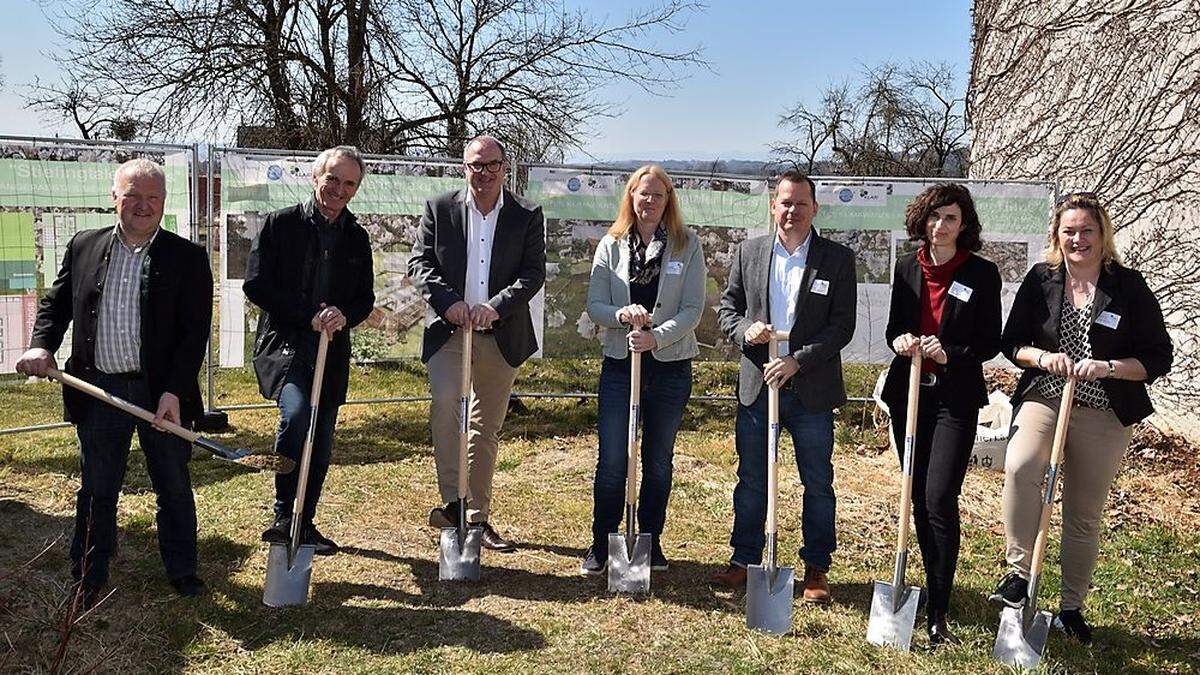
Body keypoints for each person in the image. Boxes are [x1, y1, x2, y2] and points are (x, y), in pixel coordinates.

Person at [16, 159, 213, 607]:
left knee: (173, 485)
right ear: (114, 198)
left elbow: (193, 332)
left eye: (153, 198)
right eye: (133, 196)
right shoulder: (85, 245)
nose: (143, 206)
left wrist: (173, 393)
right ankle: (88, 572)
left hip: (160, 394)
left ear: (164, 202)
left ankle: (182, 571)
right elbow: (56, 304)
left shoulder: (187, 257)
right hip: (100, 390)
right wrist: (42, 345)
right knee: (98, 487)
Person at [990, 192, 1173, 644]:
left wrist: (1110, 367)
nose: (1078, 239)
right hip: (1046, 397)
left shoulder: (1128, 287)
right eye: (1069, 231)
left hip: (1105, 407)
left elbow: (1158, 356)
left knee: (1083, 512)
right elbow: (1012, 343)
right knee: (1020, 465)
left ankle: (1071, 607)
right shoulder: (1041, 280)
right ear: (1057, 235)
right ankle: (1018, 575)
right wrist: (1042, 357)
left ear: (1102, 234)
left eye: (1086, 230)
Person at [712, 170, 857, 602]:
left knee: (817, 481)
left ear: (815, 208)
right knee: (752, 478)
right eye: (785, 202)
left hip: (810, 390)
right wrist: (745, 331)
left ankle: (816, 567)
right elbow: (727, 310)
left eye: (801, 203)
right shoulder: (749, 252)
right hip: (759, 388)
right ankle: (744, 560)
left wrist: (797, 361)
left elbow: (841, 327)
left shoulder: (836, 258)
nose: (792, 211)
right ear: (773, 205)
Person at [408, 135, 546, 552]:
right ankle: (453, 503)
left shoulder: (526, 214)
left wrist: (497, 306)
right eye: (474, 165)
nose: (482, 174)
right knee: (447, 410)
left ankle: (477, 517)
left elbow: (531, 272)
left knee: (486, 428)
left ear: (506, 168)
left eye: (491, 165)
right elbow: (420, 263)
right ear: (463, 168)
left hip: (500, 335)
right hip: (450, 332)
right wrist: (448, 303)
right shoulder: (440, 209)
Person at [881, 183, 1002, 646]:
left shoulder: (981, 273)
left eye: (950, 217)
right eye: (934, 217)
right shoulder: (908, 267)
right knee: (915, 497)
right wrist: (901, 342)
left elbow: (990, 342)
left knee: (938, 498)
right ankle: (922, 592)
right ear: (922, 221)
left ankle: (938, 609)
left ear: (963, 223)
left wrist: (949, 352)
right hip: (909, 396)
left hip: (954, 398)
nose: (941, 226)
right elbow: (895, 326)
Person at [245, 146, 376, 555]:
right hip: (285, 346)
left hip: (330, 353)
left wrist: (342, 315)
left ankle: (306, 521)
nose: (339, 189)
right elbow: (257, 284)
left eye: (349, 183)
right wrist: (308, 316)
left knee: (321, 438)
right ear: (315, 177)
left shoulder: (356, 238)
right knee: (299, 417)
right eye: (332, 179)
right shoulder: (280, 225)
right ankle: (284, 514)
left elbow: (365, 299)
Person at [580, 165, 708, 575]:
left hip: (669, 369)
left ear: (668, 199)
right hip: (620, 366)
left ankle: (650, 542)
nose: (649, 201)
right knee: (613, 459)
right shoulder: (611, 244)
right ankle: (602, 543)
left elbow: (692, 310)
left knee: (657, 461)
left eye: (657, 194)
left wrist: (657, 337)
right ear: (630, 197)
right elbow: (595, 305)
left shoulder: (688, 245)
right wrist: (620, 314)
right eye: (642, 193)